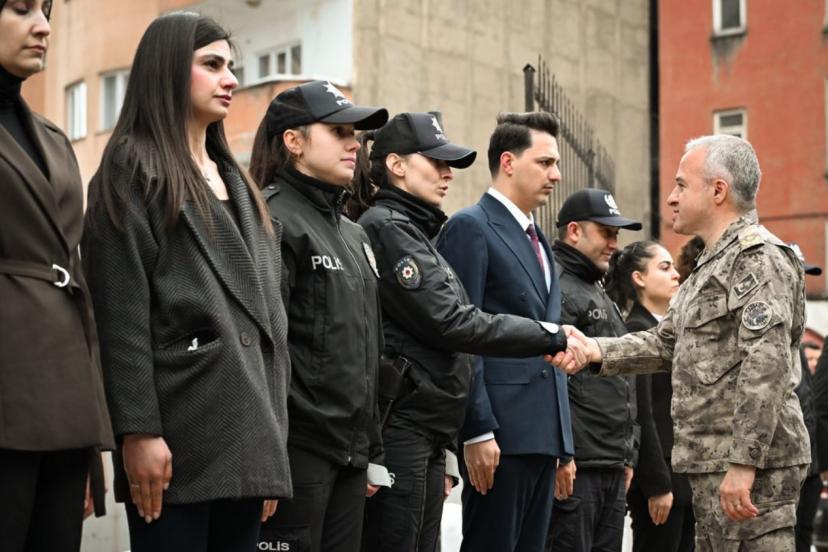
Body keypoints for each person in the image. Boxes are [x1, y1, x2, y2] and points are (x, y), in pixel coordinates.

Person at [82, 13, 290, 551]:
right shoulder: (131, 169)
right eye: (212, 65)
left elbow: (271, 323)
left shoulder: (238, 181)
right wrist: (139, 430)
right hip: (177, 438)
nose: (230, 79)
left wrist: (270, 449)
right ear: (170, 69)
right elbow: (120, 316)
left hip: (249, 438)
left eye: (231, 67)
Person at [556, 134, 811, 551]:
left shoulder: (758, 258)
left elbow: (766, 366)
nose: (672, 197)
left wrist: (744, 462)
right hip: (712, 465)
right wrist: (595, 350)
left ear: (718, 191)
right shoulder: (709, 267)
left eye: (681, 185)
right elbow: (665, 343)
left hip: (752, 472)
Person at [352, 111, 570, 551]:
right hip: (410, 421)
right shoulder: (393, 228)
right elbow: (457, 323)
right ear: (397, 165)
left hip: (435, 424)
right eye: (436, 162)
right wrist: (477, 426)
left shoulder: (418, 230)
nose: (448, 173)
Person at [248, 80, 391, 552]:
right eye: (339, 132)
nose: (355, 144)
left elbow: (368, 348)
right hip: (297, 452)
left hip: (350, 456)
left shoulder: (353, 234)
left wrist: (371, 449)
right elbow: (261, 348)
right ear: (294, 141)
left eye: (356, 134)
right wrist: (267, 456)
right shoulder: (271, 218)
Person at [0, 1, 114, 550]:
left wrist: (90, 434)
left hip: (62, 406)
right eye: (21, 8)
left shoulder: (52, 138)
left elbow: (75, 281)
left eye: (46, 10)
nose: (43, 26)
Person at [436, 111, 574, 552]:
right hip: (500, 433)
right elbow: (462, 333)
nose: (556, 175)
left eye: (557, 164)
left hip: (541, 436)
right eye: (545, 162)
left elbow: (548, 340)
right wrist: (477, 429)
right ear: (509, 162)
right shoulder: (470, 227)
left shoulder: (540, 242)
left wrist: (563, 444)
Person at [546, 188, 642, 552]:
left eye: (616, 234)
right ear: (574, 231)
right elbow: (548, 375)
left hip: (609, 462)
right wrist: (562, 454)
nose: (614, 244)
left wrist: (626, 455)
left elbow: (622, 377)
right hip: (578, 468)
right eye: (606, 233)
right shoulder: (556, 284)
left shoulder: (595, 287)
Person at [605, 240, 695, 552]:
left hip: (682, 473)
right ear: (639, 278)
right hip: (660, 477)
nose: (676, 275)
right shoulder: (637, 331)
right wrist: (657, 484)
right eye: (664, 267)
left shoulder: (667, 330)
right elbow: (642, 412)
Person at [788, 244, 823, 552]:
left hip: (809, 470)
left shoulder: (796, 336)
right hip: (782, 472)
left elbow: (811, 404)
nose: (801, 285)